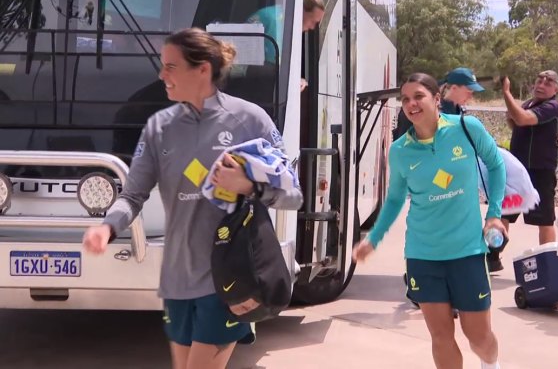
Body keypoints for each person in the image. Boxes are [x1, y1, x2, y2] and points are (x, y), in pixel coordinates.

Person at [82, 28, 303, 369]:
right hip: (177, 281)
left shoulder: (250, 120)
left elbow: (293, 195)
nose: (161, 75)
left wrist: (248, 186)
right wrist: (107, 227)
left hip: (229, 278)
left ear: (202, 69)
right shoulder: (159, 128)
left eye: (171, 66)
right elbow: (132, 195)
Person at [353, 73, 506, 369]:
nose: (411, 104)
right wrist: (373, 239)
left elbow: (496, 165)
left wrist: (494, 214)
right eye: (405, 99)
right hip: (423, 255)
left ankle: (492, 366)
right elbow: (396, 199)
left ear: (437, 99)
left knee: (479, 338)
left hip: (468, 253)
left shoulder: (467, 128)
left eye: (418, 96)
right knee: (440, 336)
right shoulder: (399, 151)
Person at [500, 71, 558, 249]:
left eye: (548, 82)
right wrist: (513, 114)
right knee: (503, 213)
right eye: (539, 80)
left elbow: (522, 118)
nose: (541, 84)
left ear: (556, 89)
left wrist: (506, 93)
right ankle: (493, 255)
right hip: (517, 171)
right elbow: (515, 122)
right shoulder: (529, 103)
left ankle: (548, 259)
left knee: (544, 219)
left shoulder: (552, 107)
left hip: (540, 172)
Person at [392, 67, 485, 141]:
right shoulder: (426, 109)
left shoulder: (456, 110)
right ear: (454, 88)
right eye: (468, 92)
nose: (470, 96)